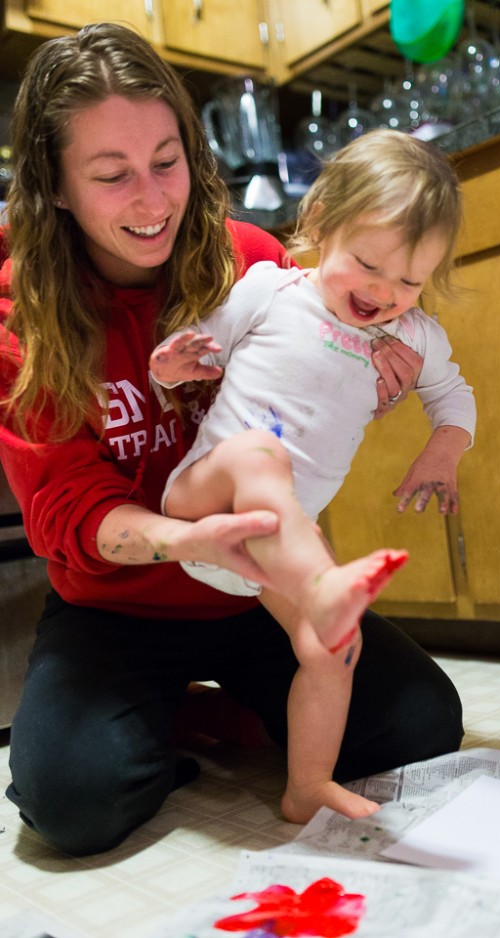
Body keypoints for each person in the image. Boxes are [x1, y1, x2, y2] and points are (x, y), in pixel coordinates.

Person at [0, 22, 464, 858]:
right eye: (111, 176)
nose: (152, 201)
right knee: (72, 807)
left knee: (420, 725)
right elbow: (62, 509)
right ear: (56, 188)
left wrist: (371, 365)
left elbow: (321, 335)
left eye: (167, 162)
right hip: (117, 605)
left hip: (256, 592)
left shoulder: (245, 258)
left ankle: (225, 707)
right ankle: (183, 709)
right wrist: (187, 538)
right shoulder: (20, 310)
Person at [149, 129, 476, 824]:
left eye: (410, 281)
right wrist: (170, 366)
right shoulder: (269, 291)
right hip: (198, 504)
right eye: (366, 264)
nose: (385, 293)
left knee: (336, 646)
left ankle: (307, 786)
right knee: (258, 453)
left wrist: (441, 450)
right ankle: (321, 584)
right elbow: (191, 348)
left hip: (274, 546)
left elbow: (455, 397)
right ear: (321, 223)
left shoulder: (413, 338)